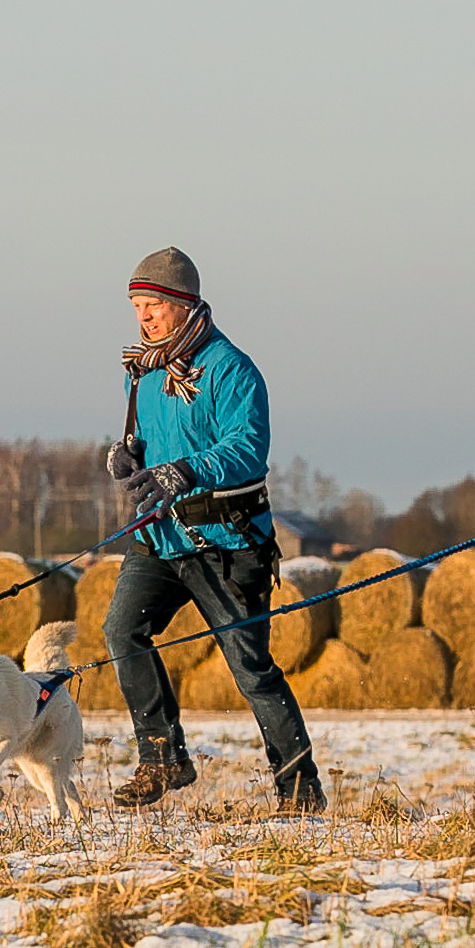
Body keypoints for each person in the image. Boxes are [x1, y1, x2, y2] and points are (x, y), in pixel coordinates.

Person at [101, 247, 323, 813]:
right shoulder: (146, 373)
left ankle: (299, 788)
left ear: (184, 305)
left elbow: (248, 450)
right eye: (136, 306)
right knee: (120, 631)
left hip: (226, 540)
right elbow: (152, 442)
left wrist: (188, 470)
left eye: (152, 304)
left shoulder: (231, 369)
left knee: (251, 670)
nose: (143, 317)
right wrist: (128, 455)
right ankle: (162, 757)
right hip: (159, 537)